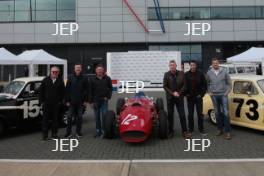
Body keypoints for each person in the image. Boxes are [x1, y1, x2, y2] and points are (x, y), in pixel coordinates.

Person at [163, 60, 190, 139]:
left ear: (176, 66)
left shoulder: (181, 73)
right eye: (170, 65)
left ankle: (184, 131)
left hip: (179, 97)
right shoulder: (166, 74)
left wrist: (179, 93)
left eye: (173, 65)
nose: (172, 66)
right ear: (169, 66)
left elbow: (185, 85)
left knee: (182, 115)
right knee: (170, 115)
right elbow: (165, 86)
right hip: (170, 98)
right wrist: (172, 93)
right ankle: (171, 131)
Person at [207, 58, 232, 140]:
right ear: (212, 64)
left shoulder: (224, 72)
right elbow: (207, 83)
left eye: (216, 63)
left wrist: (227, 92)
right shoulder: (209, 72)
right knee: (217, 112)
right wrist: (209, 92)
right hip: (214, 95)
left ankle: (227, 132)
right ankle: (219, 129)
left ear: (219, 64)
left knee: (226, 113)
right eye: (214, 63)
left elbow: (229, 83)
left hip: (223, 95)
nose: (215, 64)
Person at [39, 66, 65, 141]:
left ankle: (54, 134)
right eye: (53, 72)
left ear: (58, 73)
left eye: (56, 72)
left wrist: (60, 101)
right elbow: (41, 92)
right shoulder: (45, 80)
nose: (55, 73)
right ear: (50, 72)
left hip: (56, 104)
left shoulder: (60, 81)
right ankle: (45, 135)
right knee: (45, 120)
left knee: (55, 120)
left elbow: (63, 92)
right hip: (46, 104)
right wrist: (41, 102)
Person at [64, 63, 89, 138]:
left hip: (81, 102)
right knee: (69, 117)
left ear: (81, 69)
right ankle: (68, 133)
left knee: (80, 117)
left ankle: (78, 132)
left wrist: (86, 101)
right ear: (74, 69)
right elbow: (67, 90)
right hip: (71, 102)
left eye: (79, 68)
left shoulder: (84, 78)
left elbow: (87, 90)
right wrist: (67, 101)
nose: (78, 69)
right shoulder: (70, 77)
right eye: (76, 68)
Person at [184, 61, 207, 136]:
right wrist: (186, 94)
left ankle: (201, 129)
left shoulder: (200, 74)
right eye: (191, 65)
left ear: (196, 66)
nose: (193, 66)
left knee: (200, 114)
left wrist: (201, 94)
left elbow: (204, 85)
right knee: (190, 114)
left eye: (194, 65)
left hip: (198, 97)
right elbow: (184, 86)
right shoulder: (186, 74)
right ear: (190, 66)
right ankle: (191, 130)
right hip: (190, 98)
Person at [90, 64, 113, 138]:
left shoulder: (107, 78)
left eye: (101, 69)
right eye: (98, 69)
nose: (99, 70)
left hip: (104, 100)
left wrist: (108, 97)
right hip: (96, 101)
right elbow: (90, 91)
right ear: (96, 71)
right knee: (97, 117)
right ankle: (98, 131)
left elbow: (110, 88)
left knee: (104, 116)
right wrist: (91, 102)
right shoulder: (92, 79)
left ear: (103, 70)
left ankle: (104, 131)